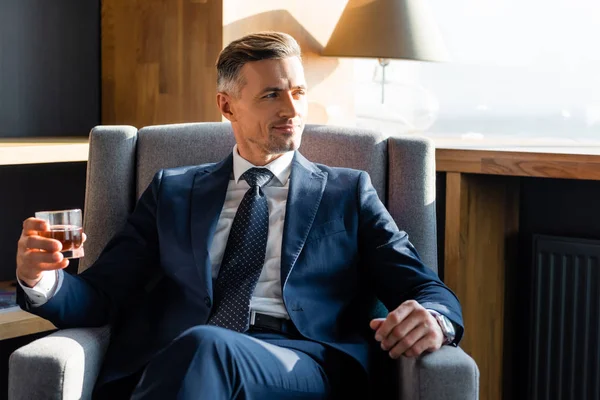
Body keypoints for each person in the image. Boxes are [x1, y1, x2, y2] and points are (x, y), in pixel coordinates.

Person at [16, 31, 463, 399]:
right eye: (272, 95)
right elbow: (101, 296)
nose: (292, 110)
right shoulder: (174, 190)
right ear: (227, 105)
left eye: (299, 92)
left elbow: (427, 287)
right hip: (180, 360)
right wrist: (42, 280)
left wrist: (435, 320)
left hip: (301, 361)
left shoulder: (348, 191)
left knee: (206, 347)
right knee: (201, 349)